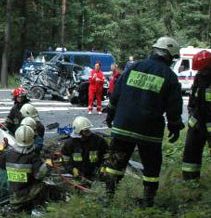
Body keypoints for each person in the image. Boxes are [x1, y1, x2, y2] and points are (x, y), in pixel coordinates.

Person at [105, 36, 184, 208]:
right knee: (151, 168)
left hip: (123, 126)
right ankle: (148, 202)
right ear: (169, 56)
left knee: (115, 163)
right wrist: (175, 126)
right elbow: (174, 106)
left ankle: (107, 197)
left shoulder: (134, 67)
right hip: (149, 131)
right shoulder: (169, 76)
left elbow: (115, 94)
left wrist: (110, 114)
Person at [0, 125, 56, 212]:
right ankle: (38, 205)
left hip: (13, 195)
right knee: (45, 185)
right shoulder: (33, 157)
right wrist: (47, 164)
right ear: (32, 139)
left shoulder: (8, 155)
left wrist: (1, 151)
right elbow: (39, 175)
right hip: (27, 194)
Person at [182, 50, 211, 180]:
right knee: (191, 153)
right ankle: (190, 180)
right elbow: (193, 99)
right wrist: (192, 114)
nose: (200, 72)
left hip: (209, 123)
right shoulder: (199, 78)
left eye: (202, 69)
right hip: (197, 123)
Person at [60, 116, 108, 181]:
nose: (88, 132)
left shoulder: (98, 141)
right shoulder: (70, 143)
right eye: (85, 131)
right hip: (78, 174)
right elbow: (65, 160)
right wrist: (72, 169)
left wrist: (103, 166)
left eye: (88, 129)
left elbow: (106, 155)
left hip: (95, 172)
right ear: (78, 131)